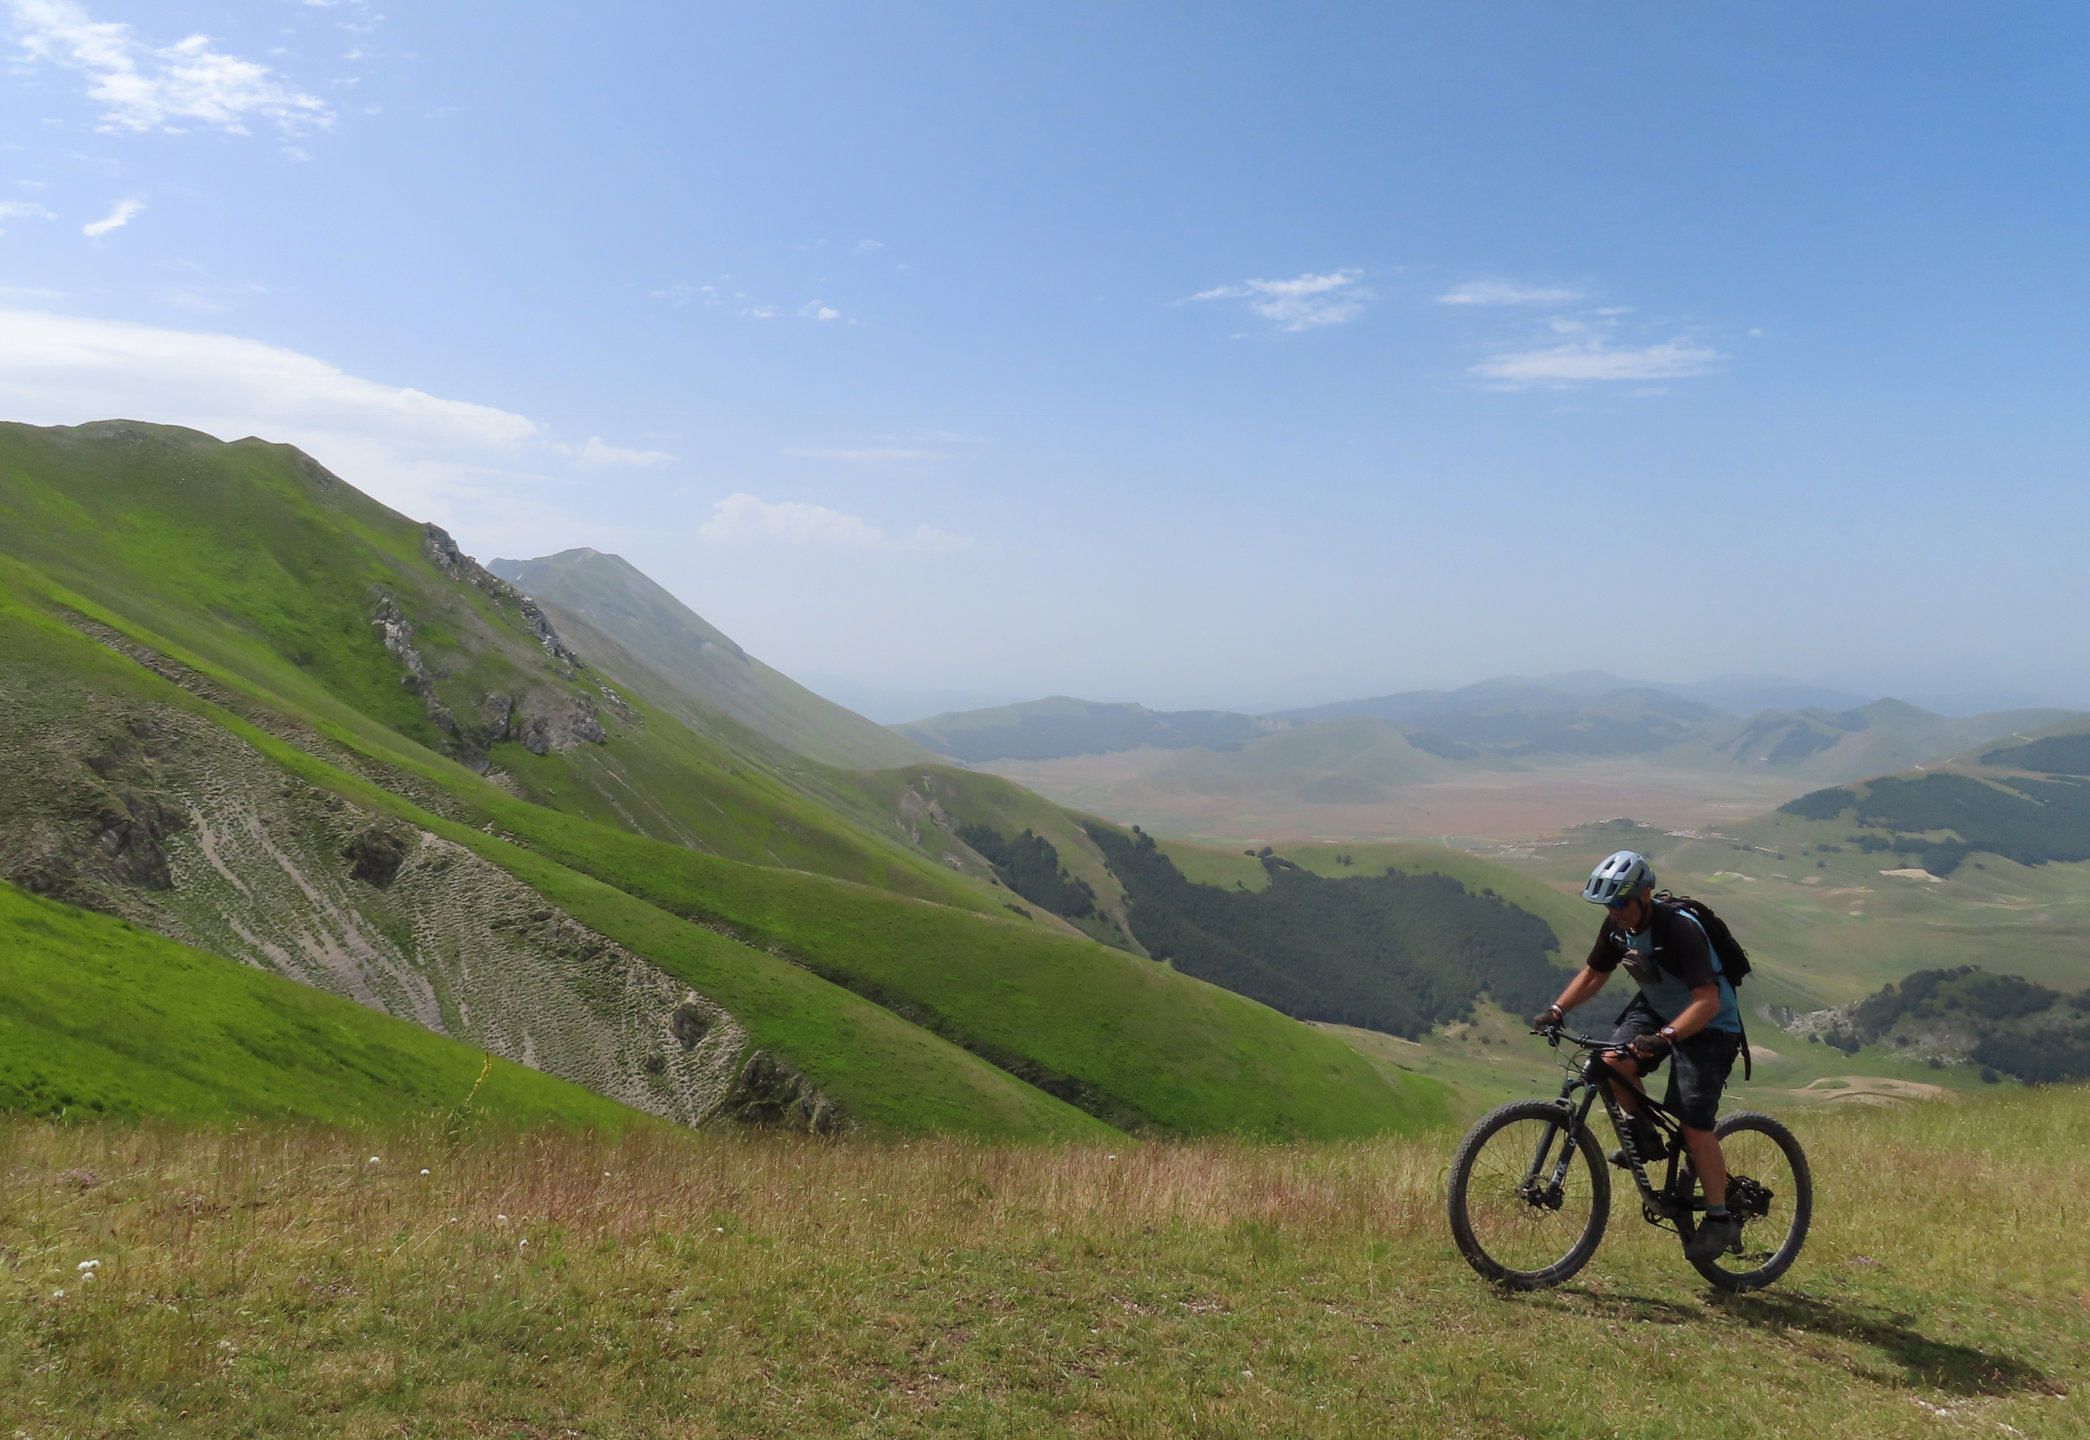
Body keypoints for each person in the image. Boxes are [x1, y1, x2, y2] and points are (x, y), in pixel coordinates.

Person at [1532, 849, 1745, 1263]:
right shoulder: (1617, 926)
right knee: (1610, 1062)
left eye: (1621, 902)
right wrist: (1557, 1010)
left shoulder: (1679, 930)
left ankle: (1720, 1217)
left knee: (1693, 1123)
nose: (1616, 912)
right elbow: (1595, 973)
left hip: (1710, 1024)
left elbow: (1707, 1000)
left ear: (1645, 895)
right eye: (1609, 904)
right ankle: (1644, 1134)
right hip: (1658, 1008)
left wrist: (1666, 1036)